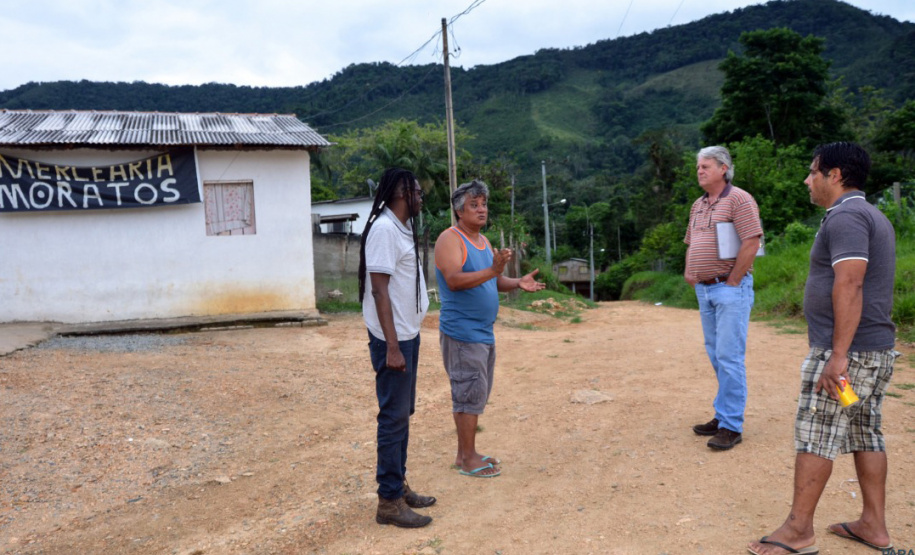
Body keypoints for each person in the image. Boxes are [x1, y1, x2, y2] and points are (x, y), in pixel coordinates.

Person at [748, 143, 896, 555]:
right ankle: (873, 525)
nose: (807, 180)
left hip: (848, 355)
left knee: (817, 433)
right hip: (872, 351)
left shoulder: (847, 217)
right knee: (865, 432)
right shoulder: (872, 214)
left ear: (835, 175)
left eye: (813, 172)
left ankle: (798, 531)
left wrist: (838, 355)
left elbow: (850, 281)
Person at [434, 180, 546, 478]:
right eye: (474, 205)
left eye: (483, 204)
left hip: (483, 332)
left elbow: (493, 281)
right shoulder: (450, 239)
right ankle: (469, 459)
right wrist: (494, 270)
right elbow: (454, 280)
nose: (481, 209)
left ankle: (464, 454)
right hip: (462, 333)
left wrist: (517, 282)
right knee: (468, 393)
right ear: (459, 211)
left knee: (473, 392)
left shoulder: (483, 241)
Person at [359, 167, 436, 528]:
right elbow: (379, 291)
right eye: (418, 192)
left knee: (403, 414)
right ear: (403, 194)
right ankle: (388, 501)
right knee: (393, 418)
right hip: (393, 340)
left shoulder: (400, 228)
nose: (421, 198)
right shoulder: (384, 230)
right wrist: (392, 347)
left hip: (407, 334)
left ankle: (398, 486)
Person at [684, 146, 763, 450]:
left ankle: (731, 425)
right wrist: (690, 271)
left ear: (723, 168)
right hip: (705, 289)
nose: (699, 171)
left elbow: (752, 241)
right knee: (717, 355)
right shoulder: (699, 204)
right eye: (698, 167)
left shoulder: (739, 199)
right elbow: (692, 242)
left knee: (729, 356)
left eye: (705, 166)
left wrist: (733, 281)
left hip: (728, 288)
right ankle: (723, 415)